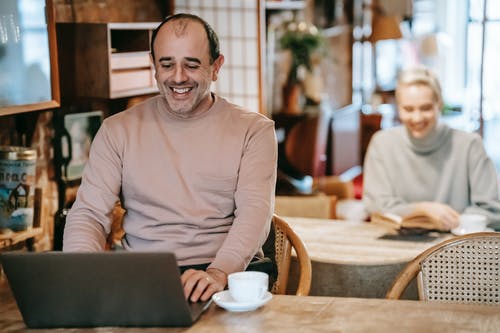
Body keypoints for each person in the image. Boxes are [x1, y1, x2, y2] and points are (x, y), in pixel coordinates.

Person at [63, 13, 277, 303]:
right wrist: (81, 272)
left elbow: (255, 214)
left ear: (216, 67)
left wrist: (218, 273)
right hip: (143, 276)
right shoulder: (117, 130)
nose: (178, 77)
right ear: (153, 66)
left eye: (191, 65)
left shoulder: (254, 130)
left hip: (224, 275)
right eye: (167, 64)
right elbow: (88, 214)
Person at [363, 65, 500, 230]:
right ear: (398, 108)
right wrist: (423, 209)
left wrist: (450, 220)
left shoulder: (470, 145)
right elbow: (376, 206)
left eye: (426, 108)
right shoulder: (382, 143)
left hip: (456, 245)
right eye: (408, 109)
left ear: (439, 104)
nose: (417, 117)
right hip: (398, 242)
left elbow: (493, 210)